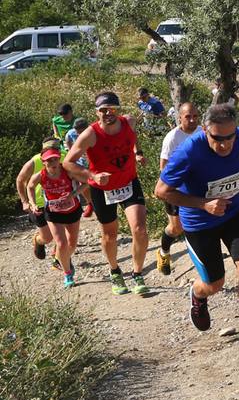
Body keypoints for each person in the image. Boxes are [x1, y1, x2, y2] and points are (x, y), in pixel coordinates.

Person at [156, 103, 239, 347]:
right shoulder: (189, 151)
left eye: (229, 137)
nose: (225, 144)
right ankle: (197, 294)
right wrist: (203, 204)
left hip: (235, 213)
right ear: (204, 130)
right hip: (200, 223)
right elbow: (161, 191)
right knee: (214, 283)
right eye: (217, 138)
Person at [63, 92, 152, 297]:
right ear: (97, 112)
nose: (107, 113)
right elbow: (68, 162)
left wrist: (137, 152)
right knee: (110, 234)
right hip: (102, 189)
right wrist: (91, 174)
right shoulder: (90, 134)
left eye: (112, 109)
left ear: (118, 110)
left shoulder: (129, 122)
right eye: (103, 110)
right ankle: (115, 271)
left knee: (139, 229)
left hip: (129, 183)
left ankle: (137, 273)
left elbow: (132, 137)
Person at [27, 146, 83, 288]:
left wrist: (73, 194)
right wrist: (32, 203)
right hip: (53, 213)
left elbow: (86, 182)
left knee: (72, 244)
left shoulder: (68, 171)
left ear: (59, 159)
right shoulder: (40, 175)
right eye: (48, 160)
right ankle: (67, 274)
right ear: (43, 162)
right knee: (62, 243)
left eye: (55, 159)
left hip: (73, 210)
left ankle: (61, 258)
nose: (52, 162)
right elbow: (30, 186)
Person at [155, 101, 201, 275]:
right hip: (176, 188)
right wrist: (171, 189)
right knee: (176, 228)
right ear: (180, 117)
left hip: (198, 186)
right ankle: (163, 252)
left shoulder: (202, 132)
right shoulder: (172, 137)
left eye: (195, 116)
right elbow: (164, 166)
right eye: (188, 116)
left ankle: (207, 253)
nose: (191, 120)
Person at [16, 137, 64, 267]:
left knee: (61, 233)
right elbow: (20, 180)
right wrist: (25, 201)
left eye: (56, 149)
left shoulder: (64, 157)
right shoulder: (35, 161)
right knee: (47, 237)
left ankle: (58, 259)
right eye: (48, 149)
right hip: (39, 204)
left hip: (59, 202)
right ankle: (38, 240)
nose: (53, 153)